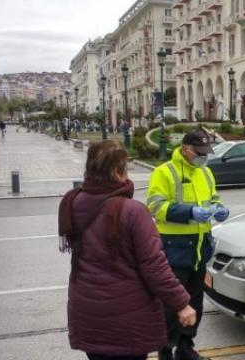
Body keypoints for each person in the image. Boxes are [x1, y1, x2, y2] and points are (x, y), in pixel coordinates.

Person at [60, 141, 197, 360]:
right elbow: (155, 267)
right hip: (126, 319)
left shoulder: (73, 202)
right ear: (117, 171)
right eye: (125, 167)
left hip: (86, 312)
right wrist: (181, 303)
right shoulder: (132, 211)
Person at [147, 130, 229, 360]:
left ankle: (185, 346)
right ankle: (165, 351)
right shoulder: (164, 172)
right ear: (184, 149)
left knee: (195, 302)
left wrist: (219, 209)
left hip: (200, 249)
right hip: (175, 249)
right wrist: (190, 212)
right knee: (171, 307)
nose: (202, 157)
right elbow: (155, 207)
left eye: (205, 153)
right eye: (198, 152)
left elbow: (213, 198)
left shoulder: (206, 172)